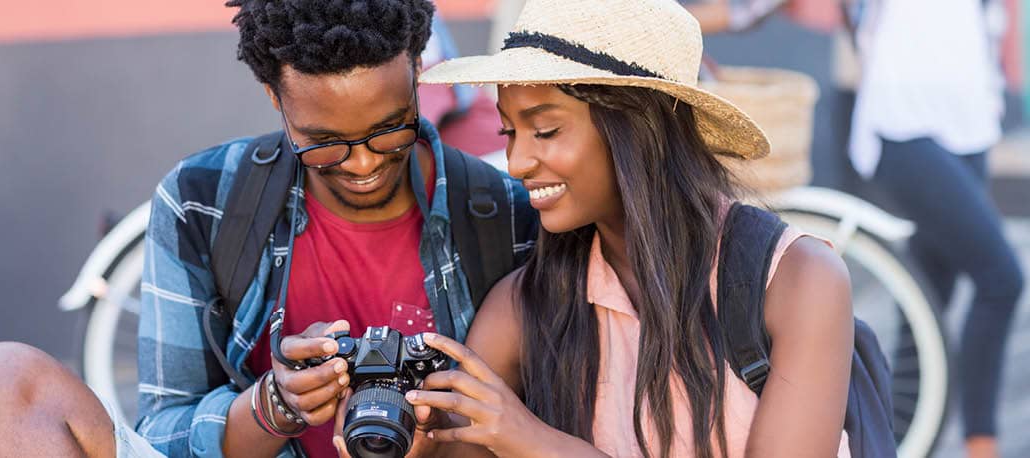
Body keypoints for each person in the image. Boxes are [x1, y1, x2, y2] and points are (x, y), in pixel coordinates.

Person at [0, 1, 539, 457]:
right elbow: (164, 429)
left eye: (390, 130)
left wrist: (444, 430)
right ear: (275, 96)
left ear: (417, 71)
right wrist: (275, 405)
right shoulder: (204, 201)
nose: (361, 163)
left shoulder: (508, 214)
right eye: (324, 144)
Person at [346, 0, 858, 456]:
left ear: (640, 129)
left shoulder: (798, 280)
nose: (518, 160)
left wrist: (533, 440)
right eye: (510, 131)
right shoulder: (525, 306)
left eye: (545, 130)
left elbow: (519, 437)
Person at [690, 1, 1026, 456]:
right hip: (903, 126)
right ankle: (982, 444)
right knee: (1001, 277)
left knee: (929, 301)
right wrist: (672, 27)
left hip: (971, 126)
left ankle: (895, 437)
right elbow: (753, 8)